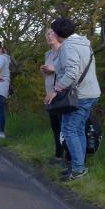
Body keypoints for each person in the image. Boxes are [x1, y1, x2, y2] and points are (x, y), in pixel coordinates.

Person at [46, 17, 100, 181]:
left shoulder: (68, 46)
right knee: (78, 130)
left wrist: (55, 90)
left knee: (69, 130)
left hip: (80, 96)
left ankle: (78, 169)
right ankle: (79, 166)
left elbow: (72, 73)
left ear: (57, 33)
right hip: (91, 93)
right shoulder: (84, 43)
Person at [40, 29, 64, 162]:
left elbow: (69, 70)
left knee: (64, 127)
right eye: (46, 34)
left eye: (51, 34)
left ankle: (69, 158)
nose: (48, 36)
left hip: (61, 94)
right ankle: (58, 155)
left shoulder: (64, 51)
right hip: (50, 93)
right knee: (55, 126)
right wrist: (44, 71)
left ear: (58, 35)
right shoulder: (48, 54)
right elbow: (48, 75)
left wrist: (53, 69)